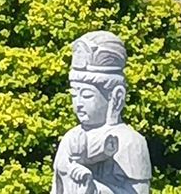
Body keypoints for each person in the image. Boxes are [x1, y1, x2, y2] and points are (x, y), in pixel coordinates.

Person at [51, 31, 152, 194]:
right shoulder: (70, 138)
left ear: (116, 97)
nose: (79, 103)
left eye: (87, 95)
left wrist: (94, 188)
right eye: (74, 95)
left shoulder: (130, 142)